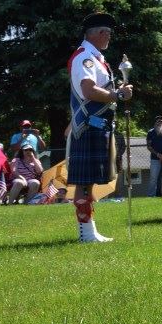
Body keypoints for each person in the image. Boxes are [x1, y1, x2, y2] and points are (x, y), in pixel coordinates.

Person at [67, 12, 132, 241]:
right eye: (108, 33)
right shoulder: (84, 57)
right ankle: (86, 234)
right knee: (84, 183)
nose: (109, 38)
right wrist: (117, 95)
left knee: (89, 182)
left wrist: (117, 91)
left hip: (97, 125)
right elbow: (89, 91)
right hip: (88, 125)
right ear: (99, 33)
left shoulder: (94, 58)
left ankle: (90, 231)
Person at [145, 117, 162, 198]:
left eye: (161, 121)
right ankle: (151, 195)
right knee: (153, 178)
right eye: (158, 121)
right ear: (155, 122)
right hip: (155, 159)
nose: (160, 122)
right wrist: (158, 155)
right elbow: (149, 146)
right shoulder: (151, 132)